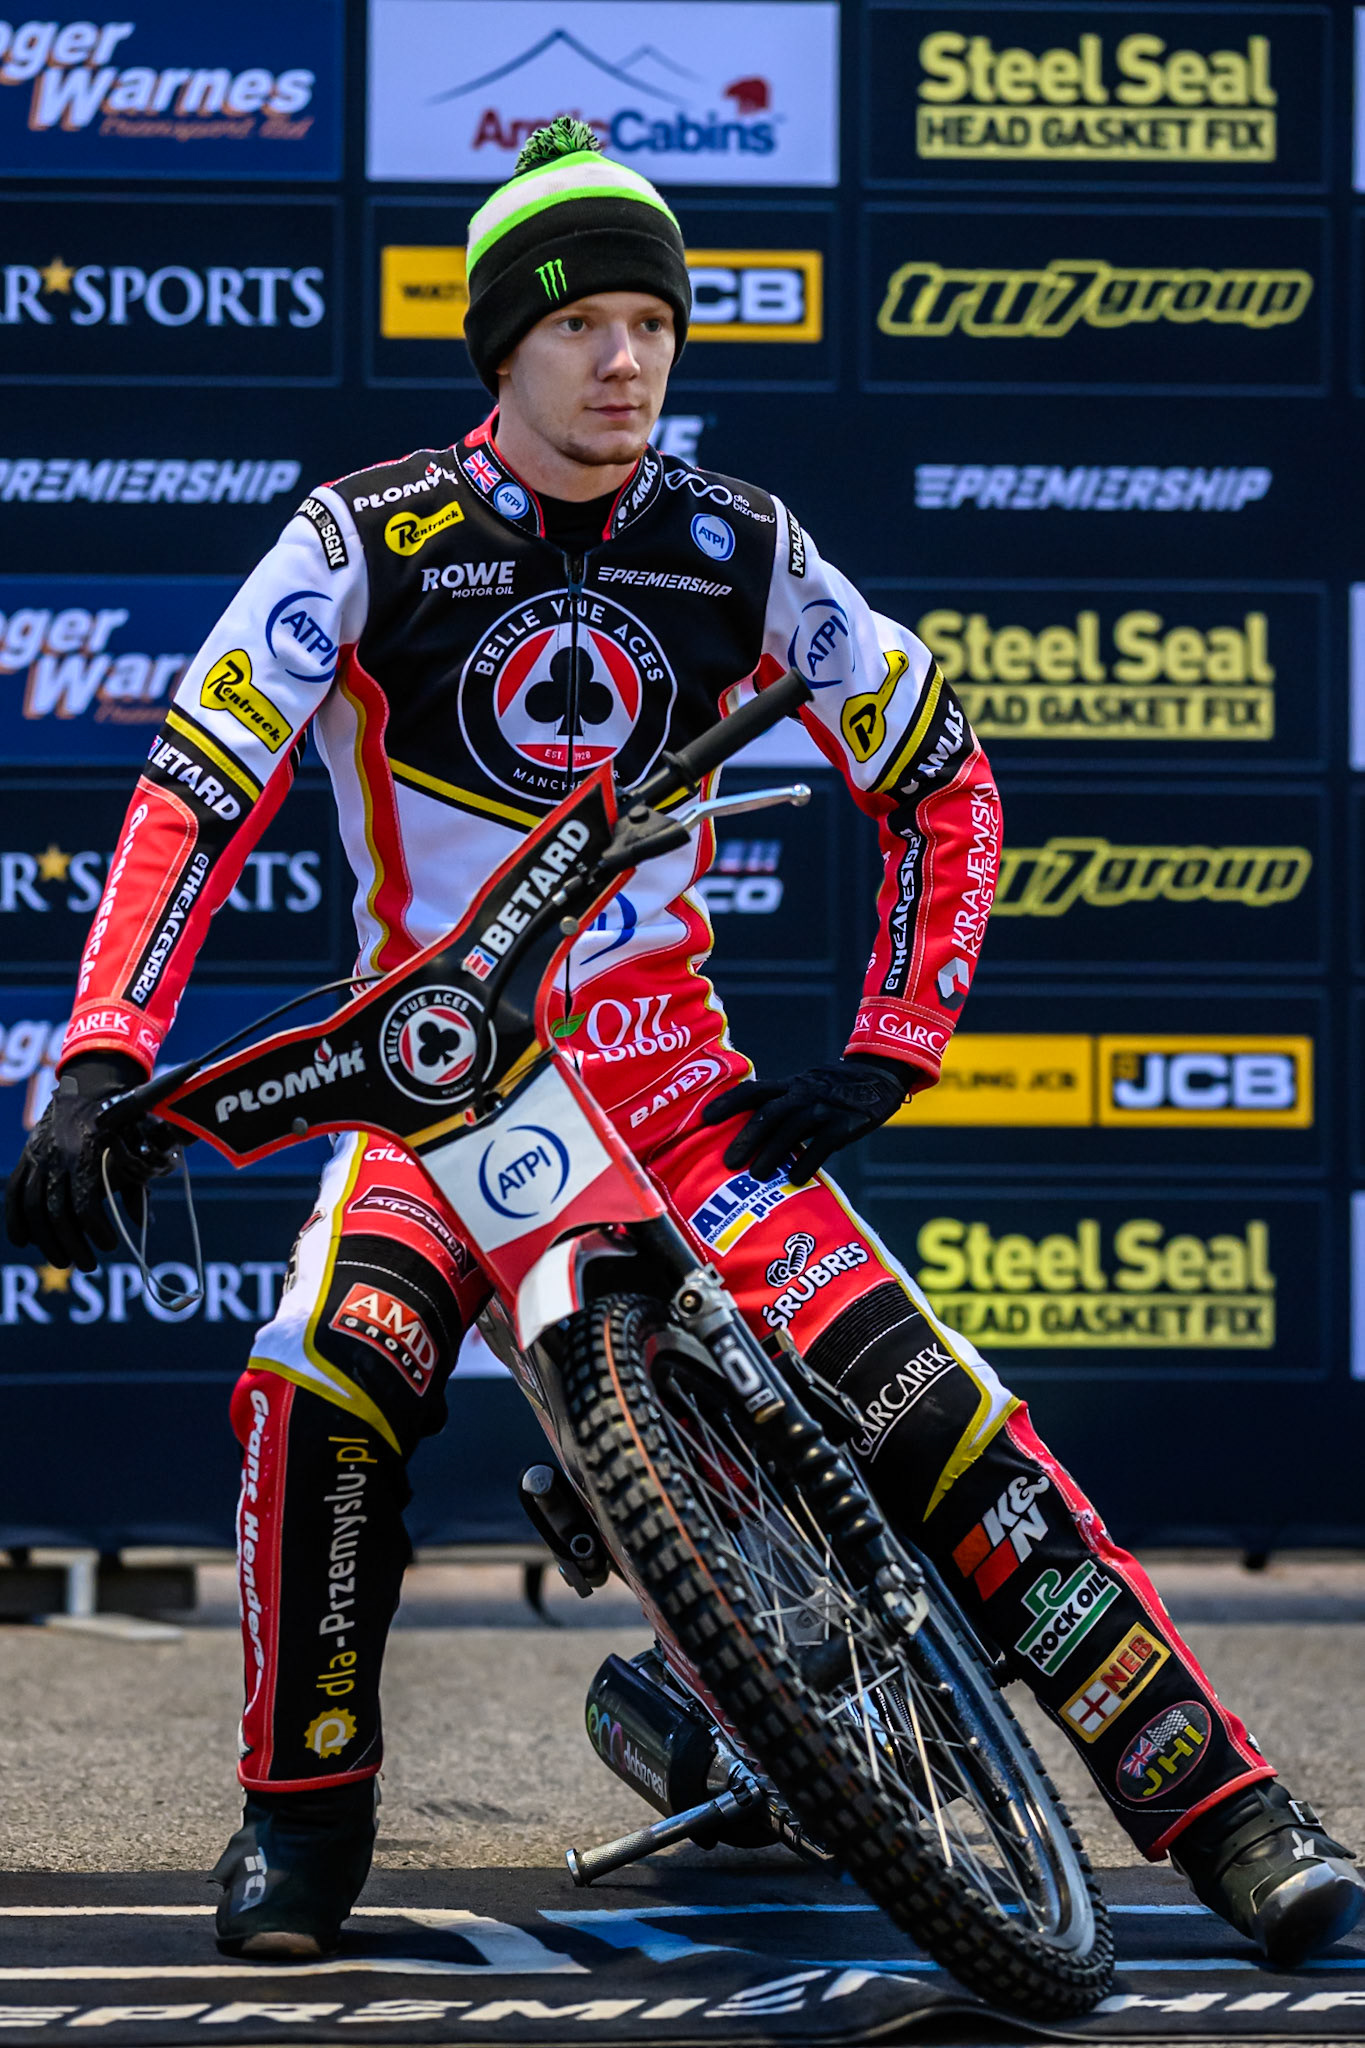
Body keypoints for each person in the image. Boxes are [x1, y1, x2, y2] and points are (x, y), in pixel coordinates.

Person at [7, 119, 1361, 1969]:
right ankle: (301, 1825)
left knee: (935, 1419)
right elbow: (194, 790)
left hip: (678, 1109)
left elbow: (944, 778)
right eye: (582, 325)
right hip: (438, 1107)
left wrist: (894, 1040)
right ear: (503, 347)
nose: (624, 359)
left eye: (651, 323)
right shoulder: (361, 536)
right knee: (318, 1388)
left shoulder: (740, 545)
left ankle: (1233, 1818)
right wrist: (100, 1053)